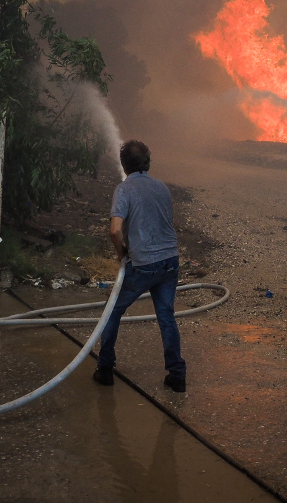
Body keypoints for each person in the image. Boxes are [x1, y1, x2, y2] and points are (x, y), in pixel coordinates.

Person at [93, 140, 187, 393]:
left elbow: (114, 230)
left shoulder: (124, 189)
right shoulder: (162, 187)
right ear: (148, 161)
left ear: (124, 164)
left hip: (143, 264)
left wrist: (122, 252)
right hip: (170, 260)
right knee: (166, 316)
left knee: (112, 311)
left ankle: (105, 369)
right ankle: (177, 375)